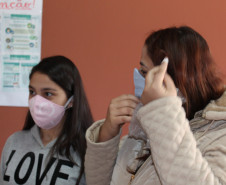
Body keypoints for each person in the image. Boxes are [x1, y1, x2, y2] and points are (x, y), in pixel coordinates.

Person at [85, 26, 226, 185]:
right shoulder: (142, 130)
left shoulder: (220, 134)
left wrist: (162, 111)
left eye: (144, 72)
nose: (139, 77)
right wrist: (107, 134)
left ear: (168, 77)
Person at [0, 56, 93, 185]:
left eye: (48, 94)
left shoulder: (86, 151)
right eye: (32, 92)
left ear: (71, 100)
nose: (37, 101)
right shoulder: (14, 142)